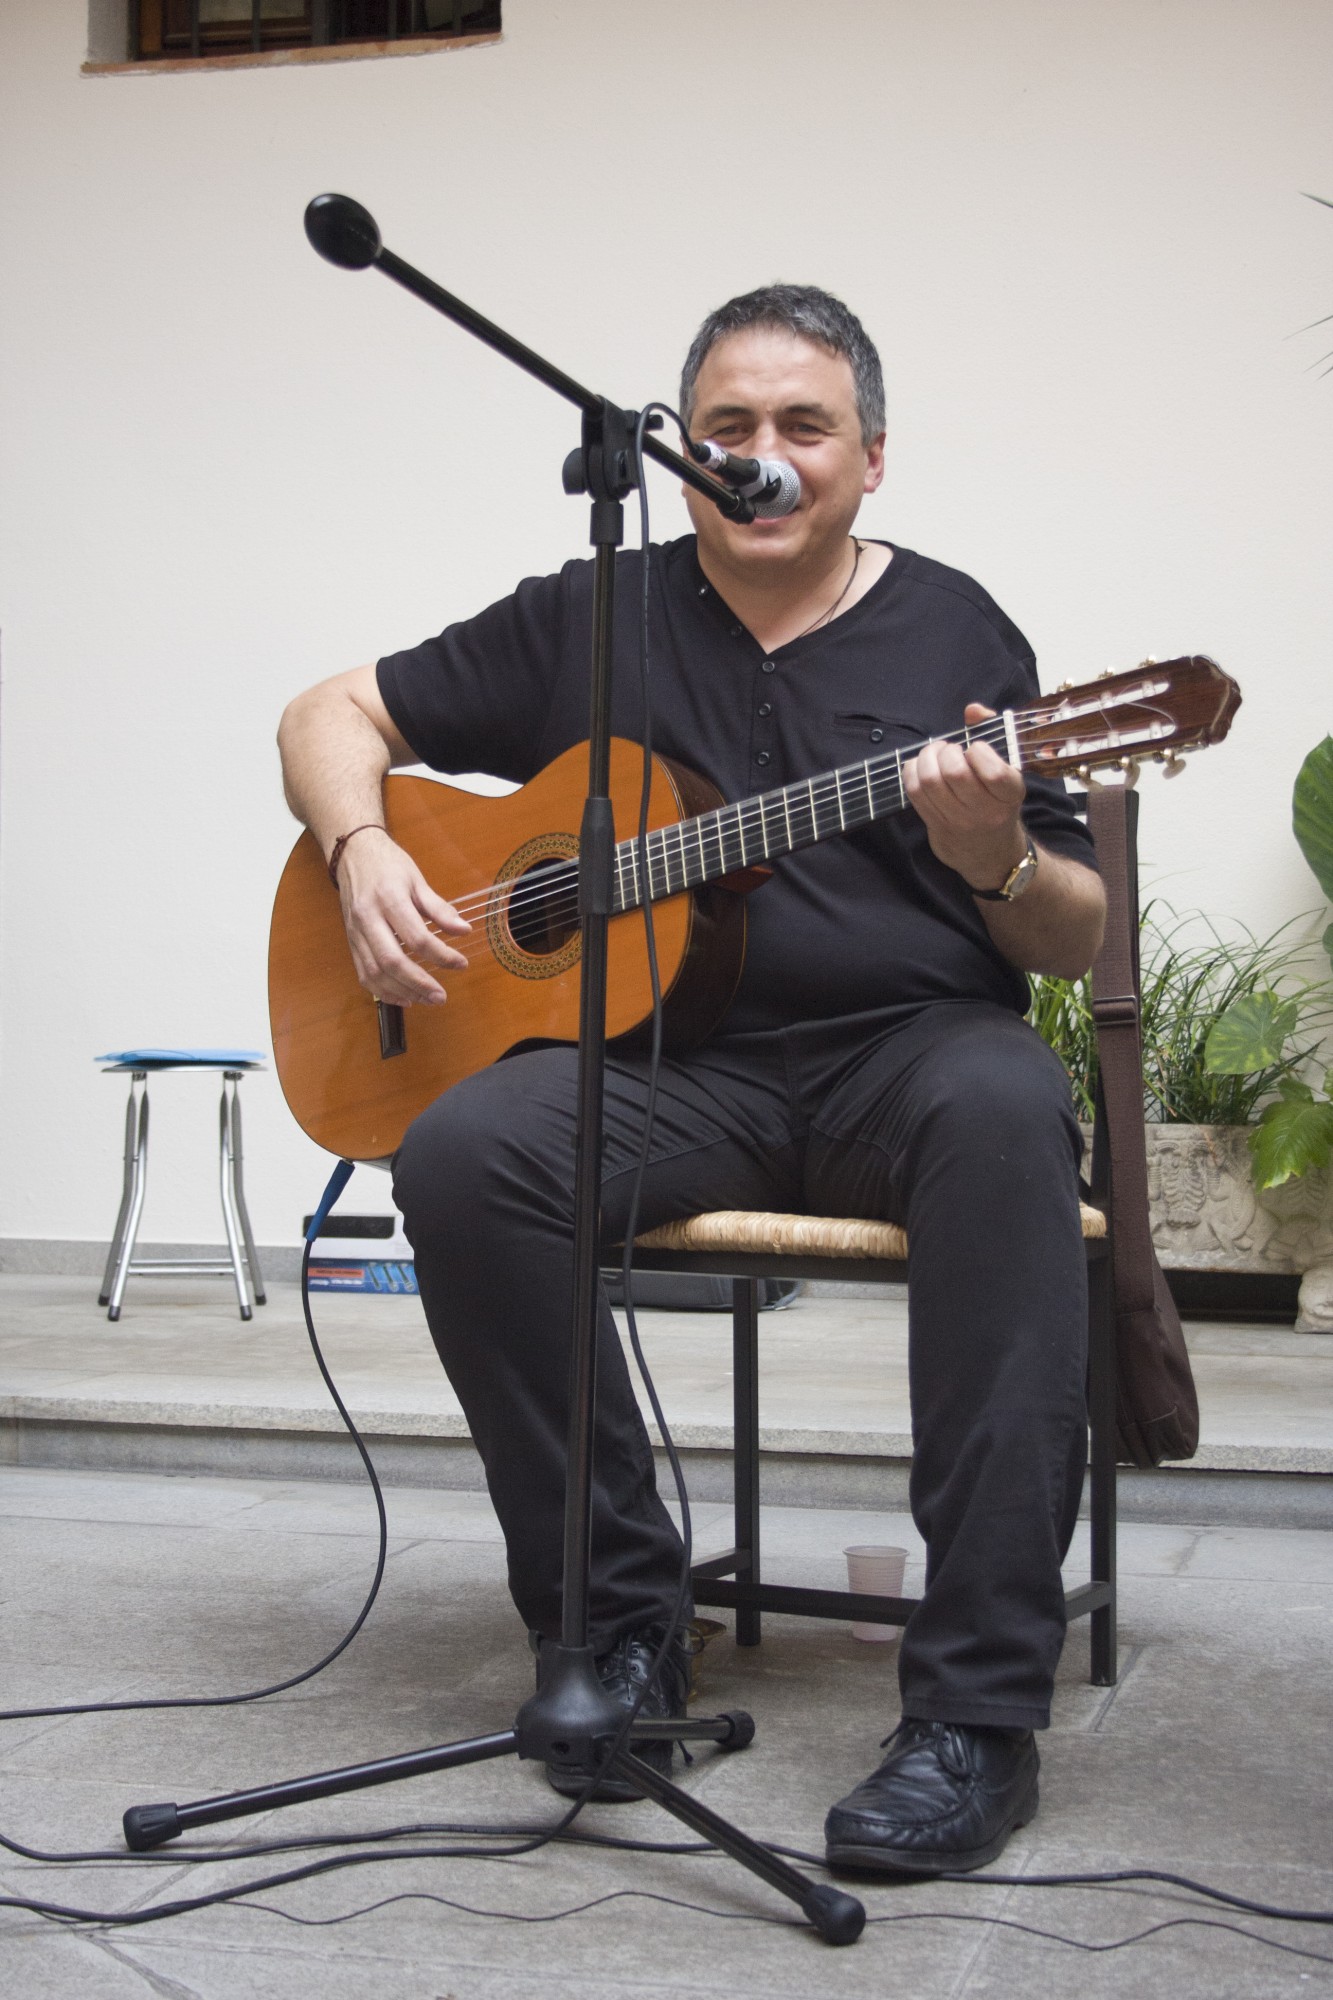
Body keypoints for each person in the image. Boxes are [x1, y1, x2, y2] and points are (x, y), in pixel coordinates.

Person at [277, 284, 1106, 1875]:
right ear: (676, 456)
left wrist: (994, 855)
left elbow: (1070, 937)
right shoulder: (596, 613)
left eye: (803, 425)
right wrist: (364, 838)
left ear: (871, 458)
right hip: (672, 1068)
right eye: (727, 428)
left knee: (1007, 1110)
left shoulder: (955, 630)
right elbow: (331, 712)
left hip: (906, 1059)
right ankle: (620, 1628)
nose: (762, 455)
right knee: (463, 1156)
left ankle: (974, 1717)